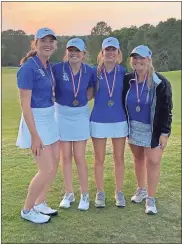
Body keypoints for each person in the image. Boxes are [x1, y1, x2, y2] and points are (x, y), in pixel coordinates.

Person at [16, 28, 60, 223]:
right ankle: (27, 209)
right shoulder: (28, 68)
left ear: (55, 45)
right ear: (35, 43)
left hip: (50, 118)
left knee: (54, 163)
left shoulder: (48, 65)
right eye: (43, 41)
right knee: (46, 169)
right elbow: (25, 105)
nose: (47, 44)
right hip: (35, 120)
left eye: (51, 41)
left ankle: (40, 202)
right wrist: (34, 135)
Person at [123, 45, 173, 214]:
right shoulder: (127, 79)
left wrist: (165, 133)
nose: (138, 61)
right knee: (138, 159)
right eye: (135, 57)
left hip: (154, 129)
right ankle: (141, 189)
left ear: (149, 60)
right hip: (133, 127)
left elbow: (167, 109)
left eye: (142, 58)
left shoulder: (160, 82)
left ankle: (151, 198)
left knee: (153, 162)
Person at [52, 38, 94, 211]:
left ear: (84, 54)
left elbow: (91, 90)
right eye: (71, 50)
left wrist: (82, 100)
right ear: (66, 52)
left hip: (80, 114)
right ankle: (69, 193)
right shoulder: (57, 68)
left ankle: (85, 194)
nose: (74, 53)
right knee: (66, 156)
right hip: (62, 113)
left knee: (79, 156)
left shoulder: (90, 71)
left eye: (77, 51)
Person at [90, 37, 128, 208]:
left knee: (119, 158)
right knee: (99, 159)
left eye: (114, 50)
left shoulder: (123, 72)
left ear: (118, 53)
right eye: (108, 50)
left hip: (119, 120)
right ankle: (100, 192)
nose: (111, 53)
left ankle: (119, 192)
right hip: (98, 119)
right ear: (102, 52)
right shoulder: (94, 72)